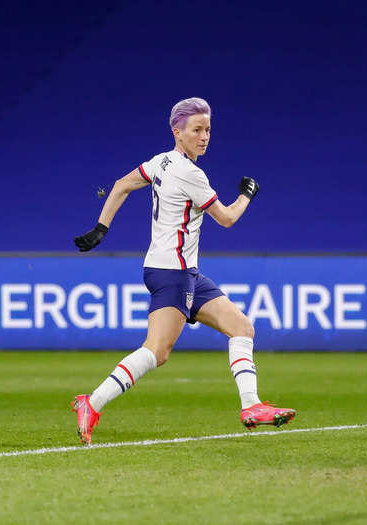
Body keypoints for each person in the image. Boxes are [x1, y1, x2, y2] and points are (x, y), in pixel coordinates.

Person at [72, 97, 295, 445]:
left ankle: (251, 406)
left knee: (241, 326)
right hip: (173, 273)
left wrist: (101, 228)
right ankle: (92, 402)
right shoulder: (191, 174)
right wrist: (247, 195)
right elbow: (227, 218)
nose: (204, 136)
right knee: (156, 351)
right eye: (196, 130)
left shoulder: (161, 161)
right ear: (178, 132)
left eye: (207, 129)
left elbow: (120, 185)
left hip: (180, 271)